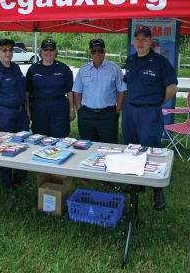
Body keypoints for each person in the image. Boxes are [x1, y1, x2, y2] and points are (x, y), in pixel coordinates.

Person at [122, 26, 178, 210]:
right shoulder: (130, 60)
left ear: (150, 41)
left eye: (144, 39)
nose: (140, 42)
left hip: (149, 113)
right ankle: (137, 185)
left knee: (152, 151)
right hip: (130, 111)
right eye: (137, 38)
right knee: (132, 148)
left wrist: (156, 103)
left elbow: (172, 87)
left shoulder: (160, 62)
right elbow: (128, 85)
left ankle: (157, 191)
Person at [0, 39, 29, 189]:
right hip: (4, 115)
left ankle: (20, 178)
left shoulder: (16, 68)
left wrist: (27, 111)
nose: (8, 53)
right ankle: (7, 182)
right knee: (5, 147)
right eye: (4, 50)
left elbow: (22, 90)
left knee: (24, 144)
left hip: (20, 114)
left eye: (10, 50)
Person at [73, 39, 126, 143]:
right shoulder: (83, 69)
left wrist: (118, 110)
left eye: (100, 51)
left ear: (105, 51)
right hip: (86, 115)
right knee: (87, 147)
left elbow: (122, 90)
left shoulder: (115, 69)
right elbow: (77, 91)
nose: (97, 54)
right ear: (90, 53)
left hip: (108, 115)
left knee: (109, 147)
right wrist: (80, 109)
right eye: (94, 51)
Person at [26, 39, 74, 137]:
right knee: (39, 137)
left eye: (51, 50)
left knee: (60, 136)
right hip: (39, 107)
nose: (48, 52)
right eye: (45, 49)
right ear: (41, 52)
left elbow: (69, 91)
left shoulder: (63, 68)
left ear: (55, 52)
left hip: (59, 106)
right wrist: (27, 110)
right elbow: (27, 92)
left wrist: (71, 109)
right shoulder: (33, 69)